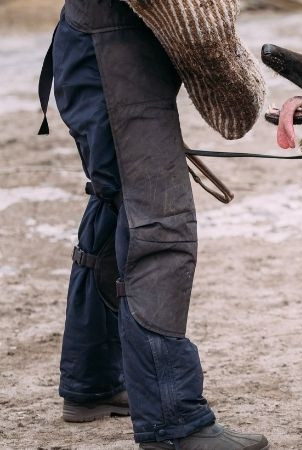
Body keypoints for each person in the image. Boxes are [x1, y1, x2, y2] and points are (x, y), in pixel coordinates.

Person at [37, 1, 268, 448]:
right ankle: (172, 421)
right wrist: (246, 98)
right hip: (113, 59)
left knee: (117, 200)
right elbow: (196, 19)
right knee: (160, 229)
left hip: (93, 48)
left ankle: (95, 382)